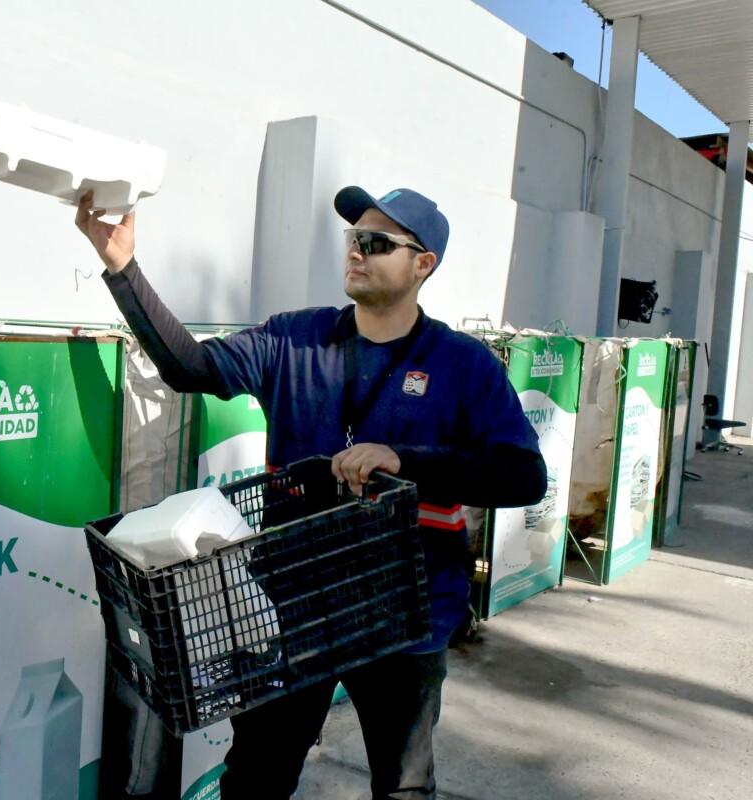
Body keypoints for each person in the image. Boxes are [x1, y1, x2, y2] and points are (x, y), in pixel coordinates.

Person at [76, 184, 546, 799]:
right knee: (256, 779)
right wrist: (122, 266)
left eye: (377, 243)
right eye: (353, 239)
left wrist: (405, 459)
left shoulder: (465, 365)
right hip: (293, 601)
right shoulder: (293, 339)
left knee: (403, 786)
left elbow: (522, 475)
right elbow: (188, 367)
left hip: (409, 608)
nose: (356, 252)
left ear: (422, 264)